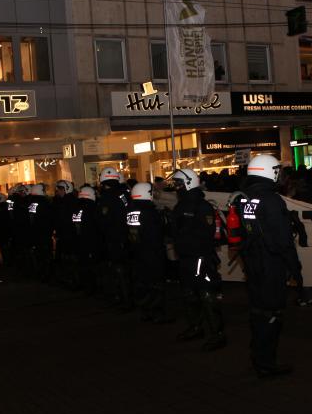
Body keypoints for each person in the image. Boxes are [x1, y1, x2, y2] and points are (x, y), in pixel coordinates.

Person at [237, 155, 300, 377]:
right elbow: (284, 241)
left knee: (257, 310)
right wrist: (296, 271)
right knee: (272, 312)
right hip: (271, 264)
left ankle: (257, 354)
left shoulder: (243, 198)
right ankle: (266, 362)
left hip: (252, 262)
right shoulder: (272, 200)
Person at [171, 168, 226, 351]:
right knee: (189, 294)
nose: (176, 187)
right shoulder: (182, 204)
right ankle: (196, 327)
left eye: (179, 183)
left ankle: (217, 334)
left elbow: (206, 234)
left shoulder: (201, 206)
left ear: (188, 183)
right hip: (186, 257)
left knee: (207, 294)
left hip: (200, 257)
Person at [126, 183, 170, 323]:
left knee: (142, 283)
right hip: (152, 253)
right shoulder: (150, 213)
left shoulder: (131, 211)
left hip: (137, 252)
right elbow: (156, 235)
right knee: (156, 284)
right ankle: (158, 314)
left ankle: (145, 311)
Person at [96, 168, 131, 309]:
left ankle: (123, 298)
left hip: (114, 237)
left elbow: (102, 221)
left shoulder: (107, 197)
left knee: (118, 269)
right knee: (127, 268)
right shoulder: (124, 194)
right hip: (126, 237)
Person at [71, 185, 101, 294]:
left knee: (82, 264)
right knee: (92, 265)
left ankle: (82, 284)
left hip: (78, 241)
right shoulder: (92, 208)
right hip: (91, 241)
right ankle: (93, 287)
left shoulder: (76, 208)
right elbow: (97, 225)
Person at [27, 183, 54, 281]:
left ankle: (39, 273)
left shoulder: (31, 203)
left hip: (35, 233)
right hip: (43, 232)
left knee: (38, 255)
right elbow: (49, 218)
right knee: (46, 255)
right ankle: (47, 274)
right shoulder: (44, 202)